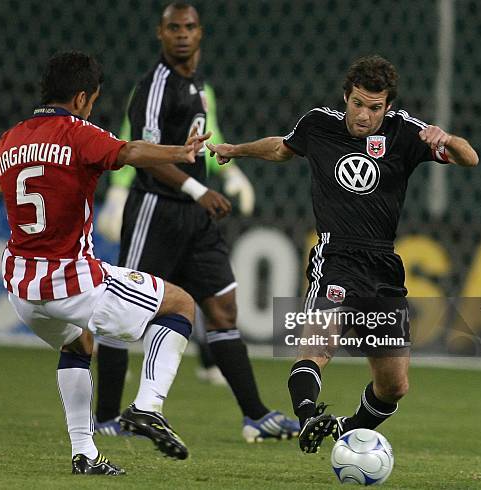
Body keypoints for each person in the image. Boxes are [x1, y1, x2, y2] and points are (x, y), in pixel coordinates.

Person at [208, 54, 479, 453]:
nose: (364, 116)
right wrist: (236, 149)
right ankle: (306, 417)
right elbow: (281, 149)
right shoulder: (318, 125)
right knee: (316, 346)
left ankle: (344, 430)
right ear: (346, 97)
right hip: (336, 256)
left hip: (384, 265)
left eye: (374, 108)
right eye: (357, 103)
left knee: (394, 386)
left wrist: (449, 139)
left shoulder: (405, 132)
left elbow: (470, 158)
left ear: (387, 107)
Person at [0, 51, 212, 475]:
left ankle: (85, 454)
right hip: (71, 283)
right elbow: (131, 151)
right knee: (180, 305)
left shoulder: (12, 138)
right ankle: (147, 407)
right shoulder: (78, 133)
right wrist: (182, 150)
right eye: (94, 99)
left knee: (78, 344)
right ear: (82, 97)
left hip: (21, 289)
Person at [92, 2, 299, 442]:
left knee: (223, 310)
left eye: (189, 27)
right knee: (123, 314)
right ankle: (107, 418)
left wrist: (224, 170)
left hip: (197, 220)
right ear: (160, 34)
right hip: (157, 210)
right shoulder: (154, 86)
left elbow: (205, 141)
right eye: (173, 28)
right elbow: (142, 153)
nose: (182, 34)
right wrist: (197, 189)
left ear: (200, 33)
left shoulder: (198, 84)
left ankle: (256, 416)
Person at [96, 78, 252, 390]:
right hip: (155, 201)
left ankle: (209, 361)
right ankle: (111, 355)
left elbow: (211, 135)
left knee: (193, 291)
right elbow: (133, 143)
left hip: (190, 206)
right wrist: (117, 191)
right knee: (136, 289)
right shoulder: (150, 90)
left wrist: (229, 170)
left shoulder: (206, 90)